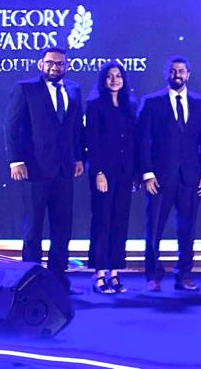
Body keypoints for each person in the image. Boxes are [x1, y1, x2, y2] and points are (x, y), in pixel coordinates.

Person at [5, 46, 84, 286]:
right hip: (35, 168)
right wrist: (16, 160)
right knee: (34, 226)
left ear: (66, 66)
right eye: (50, 62)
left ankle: (58, 279)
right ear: (41, 64)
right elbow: (11, 126)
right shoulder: (25, 88)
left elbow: (76, 128)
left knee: (63, 225)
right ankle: (31, 280)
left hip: (64, 169)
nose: (54, 67)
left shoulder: (74, 89)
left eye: (59, 63)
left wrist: (79, 157)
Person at [136, 57, 201, 292]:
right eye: (172, 70)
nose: (177, 74)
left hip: (190, 177)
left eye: (181, 71)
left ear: (188, 74)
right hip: (159, 178)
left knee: (187, 229)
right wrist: (147, 173)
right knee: (154, 228)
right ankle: (153, 275)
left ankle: (185, 275)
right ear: (166, 74)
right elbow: (142, 141)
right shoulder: (151, 102)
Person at [84, 60, 138, 295]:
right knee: (102, 222)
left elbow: (134, 142)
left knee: (120, 223)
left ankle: (115, 273)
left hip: (125, 173)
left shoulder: (130, 105)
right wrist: (98, 172)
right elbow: (92, 142)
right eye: (109, 76)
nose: (114, 80)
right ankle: (99, 275)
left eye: (118, 76)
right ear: (103, 80)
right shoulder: (95, 105)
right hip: (103, 173)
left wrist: (135, 174)